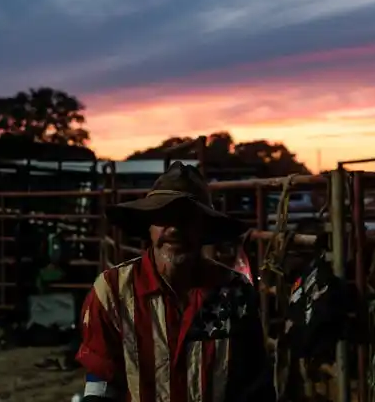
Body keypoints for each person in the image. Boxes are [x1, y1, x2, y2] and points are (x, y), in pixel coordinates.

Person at [76, 162, 276, 402]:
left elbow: (254, 387)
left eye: (187, 218)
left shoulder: (235, 292)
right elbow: (101, 383)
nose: (175, 228)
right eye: (163, 215)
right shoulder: (112, 291)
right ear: (149, 226)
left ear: (203, 228)